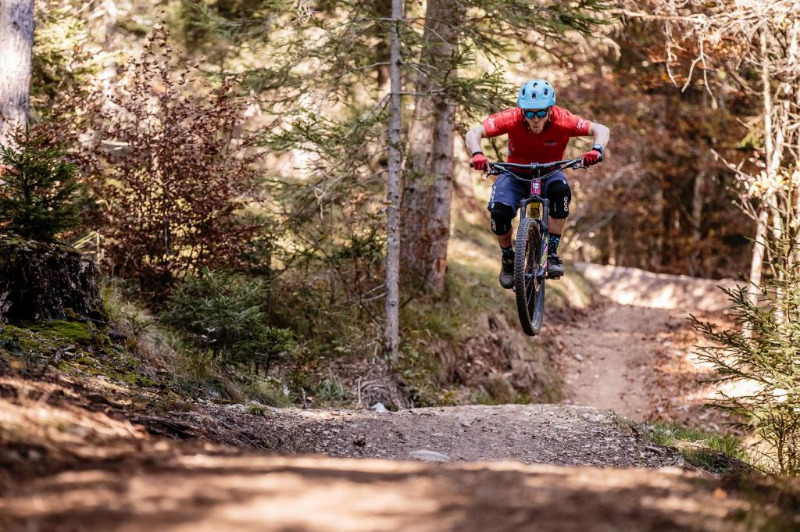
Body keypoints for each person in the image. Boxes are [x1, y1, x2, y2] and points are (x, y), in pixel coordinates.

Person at [465, 79, 610, 288]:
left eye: (541, 113)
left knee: (561, 192)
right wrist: (477, 154)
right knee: (499, 211)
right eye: (529, 113)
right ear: (521, 110)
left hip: (550, 172)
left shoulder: (563, 120)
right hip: (515, 173)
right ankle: (507, 258)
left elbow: (601, 129)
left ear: (550, 110)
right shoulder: (512, 118)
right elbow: (474, 132)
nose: (535, 119)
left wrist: (596, 149)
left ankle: (551, 253)